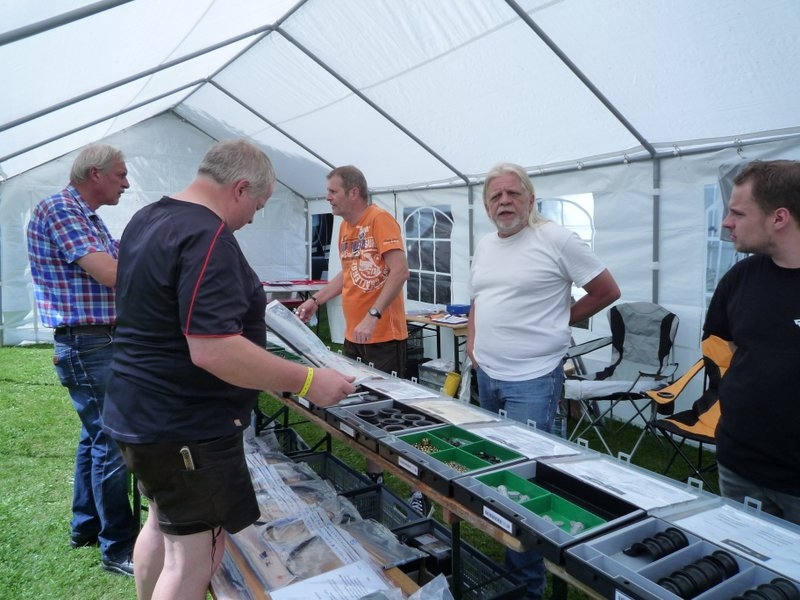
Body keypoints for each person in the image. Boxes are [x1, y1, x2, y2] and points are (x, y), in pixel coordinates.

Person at [102, 139, 356, 600]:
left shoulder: (148, 217)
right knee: (192, 558)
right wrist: (308, 381)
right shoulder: (207, 236)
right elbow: (213, 350)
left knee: (162, 524)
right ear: (240, 188)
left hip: (136, 410)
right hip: (184, 425)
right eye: (257, 204)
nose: (254, 217)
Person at [467, 163, 620, 598]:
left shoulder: (556, 239)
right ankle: (508, 561)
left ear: (531, 200)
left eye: (513, 193)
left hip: (533, 379)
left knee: (527, 481)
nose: (504, 202)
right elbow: (479, 298)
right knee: (496, 468)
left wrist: (559, 319)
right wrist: (473, 345)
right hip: (488, 376)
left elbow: (607, 290)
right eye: (495, 196)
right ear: (487, 206)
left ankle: (526, 586)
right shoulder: (485, 244)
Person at [26, 143, 139, 576]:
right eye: (120, 175)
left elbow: (118, 256)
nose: (126, 183)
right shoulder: (62, 210)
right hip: (88, 342)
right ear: (95, 174)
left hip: (93, 340)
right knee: (113, 440)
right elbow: (110, 272)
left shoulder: (85, 215)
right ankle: (118, 547)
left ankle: (86, 526)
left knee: (95, 438)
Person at [294, 166, 416, 502]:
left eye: (333, 192)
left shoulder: (379, 219)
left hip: (384, 337)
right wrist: (316, 301)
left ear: (353, 192)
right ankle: (374, 477)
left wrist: (373, 316)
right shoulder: (346, 227)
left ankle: (416, 489)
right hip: (355, 337)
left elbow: (400, 271)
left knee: (390, 416)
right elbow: (347, 275)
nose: (328, 198)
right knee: (362, 412)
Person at [703, 159, 800, 526]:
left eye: (738, 213)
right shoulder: (740, 277)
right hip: (738, 465)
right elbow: (727, 348)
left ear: (779, 218)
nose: (727, 223)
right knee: (742, 557)